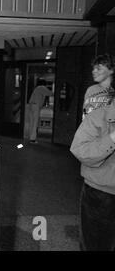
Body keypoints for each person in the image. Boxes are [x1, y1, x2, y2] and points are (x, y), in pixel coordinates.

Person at [70, 101, 115, 250]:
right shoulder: (98, 117)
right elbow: (80, 149)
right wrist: (112, 138)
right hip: (100, 195)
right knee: (94, 244)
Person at [82, 54, 115, 118]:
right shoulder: (91, 90)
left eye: (98, 69)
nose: (93, 71)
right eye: (93, 68)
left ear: (111, 70)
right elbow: (85, 114)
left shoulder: (112, 91)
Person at [27, 79, 53, 143]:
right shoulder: (42, 87)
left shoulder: (37, 88)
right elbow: (51, 93)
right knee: (35, 123)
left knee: (32, 122)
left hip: (31, 105)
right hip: (35, 106)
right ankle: (33, 139)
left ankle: (30, 137)